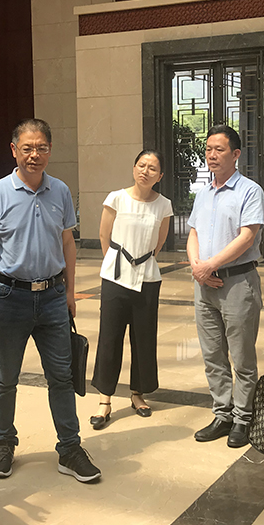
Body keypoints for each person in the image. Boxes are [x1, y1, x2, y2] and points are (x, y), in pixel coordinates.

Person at [0, 118, 101, 483]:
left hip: (51, 297)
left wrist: (70, 292)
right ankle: (3, 443)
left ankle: (70, 448)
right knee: (5, 377)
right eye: (28, 148)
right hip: (9, 296)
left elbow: (67, 243)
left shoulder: (59, 190)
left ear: (50, 150)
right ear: (14, 150)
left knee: (61, 376)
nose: (35, 155)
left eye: (42, 148)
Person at [187, 124, 264, 449]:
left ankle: (243, 418)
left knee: (242, 357)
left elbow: (247, 236)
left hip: (237, 283)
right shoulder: (203, 192)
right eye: (208, 149)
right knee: (213, 355)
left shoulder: (249, 191)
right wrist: (197, 267)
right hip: (204, 285)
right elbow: (193, 232)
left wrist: (211, 265)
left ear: (235, 154)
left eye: (219, 149)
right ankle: (223, 413)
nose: (211, 155)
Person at [90, 150, 173, 429]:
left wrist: (140, 263)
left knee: (144, 337)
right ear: (134, 167)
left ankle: (138, 393)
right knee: (110, 337)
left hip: (147, 277)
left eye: (152, 168)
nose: (145, 171)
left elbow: (159, 243)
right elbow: (104, 235)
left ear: (160, 176)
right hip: (115, 277)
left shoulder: (164, 205)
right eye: (141, 165)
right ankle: (104, 399)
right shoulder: (116, 198)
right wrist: (117, 263)